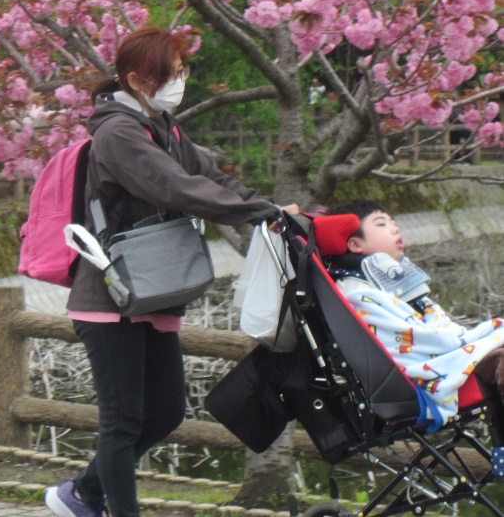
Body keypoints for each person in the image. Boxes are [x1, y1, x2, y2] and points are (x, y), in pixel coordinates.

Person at [45, 27, 294, 517]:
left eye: (182, 72)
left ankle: (83, 493)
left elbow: (209, 177)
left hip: (155, 287)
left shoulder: (165, 127)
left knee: (165, 412)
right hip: (111, 295)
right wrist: (254, 213)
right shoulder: (117, 133)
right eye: (170, 75)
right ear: (137, 80)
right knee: (122, 422)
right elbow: (174, 187)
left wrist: (268, 209)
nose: (179, 83)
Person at [324, 200, 504, 470]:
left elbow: (436, 327)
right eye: (381, 224)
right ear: (355, 244)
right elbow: (421, 341)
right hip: (420, 382)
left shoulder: (387, 281)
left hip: (449, 361)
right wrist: (482, 339)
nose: (395, 228)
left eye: (393, 222)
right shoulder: (357, 294)